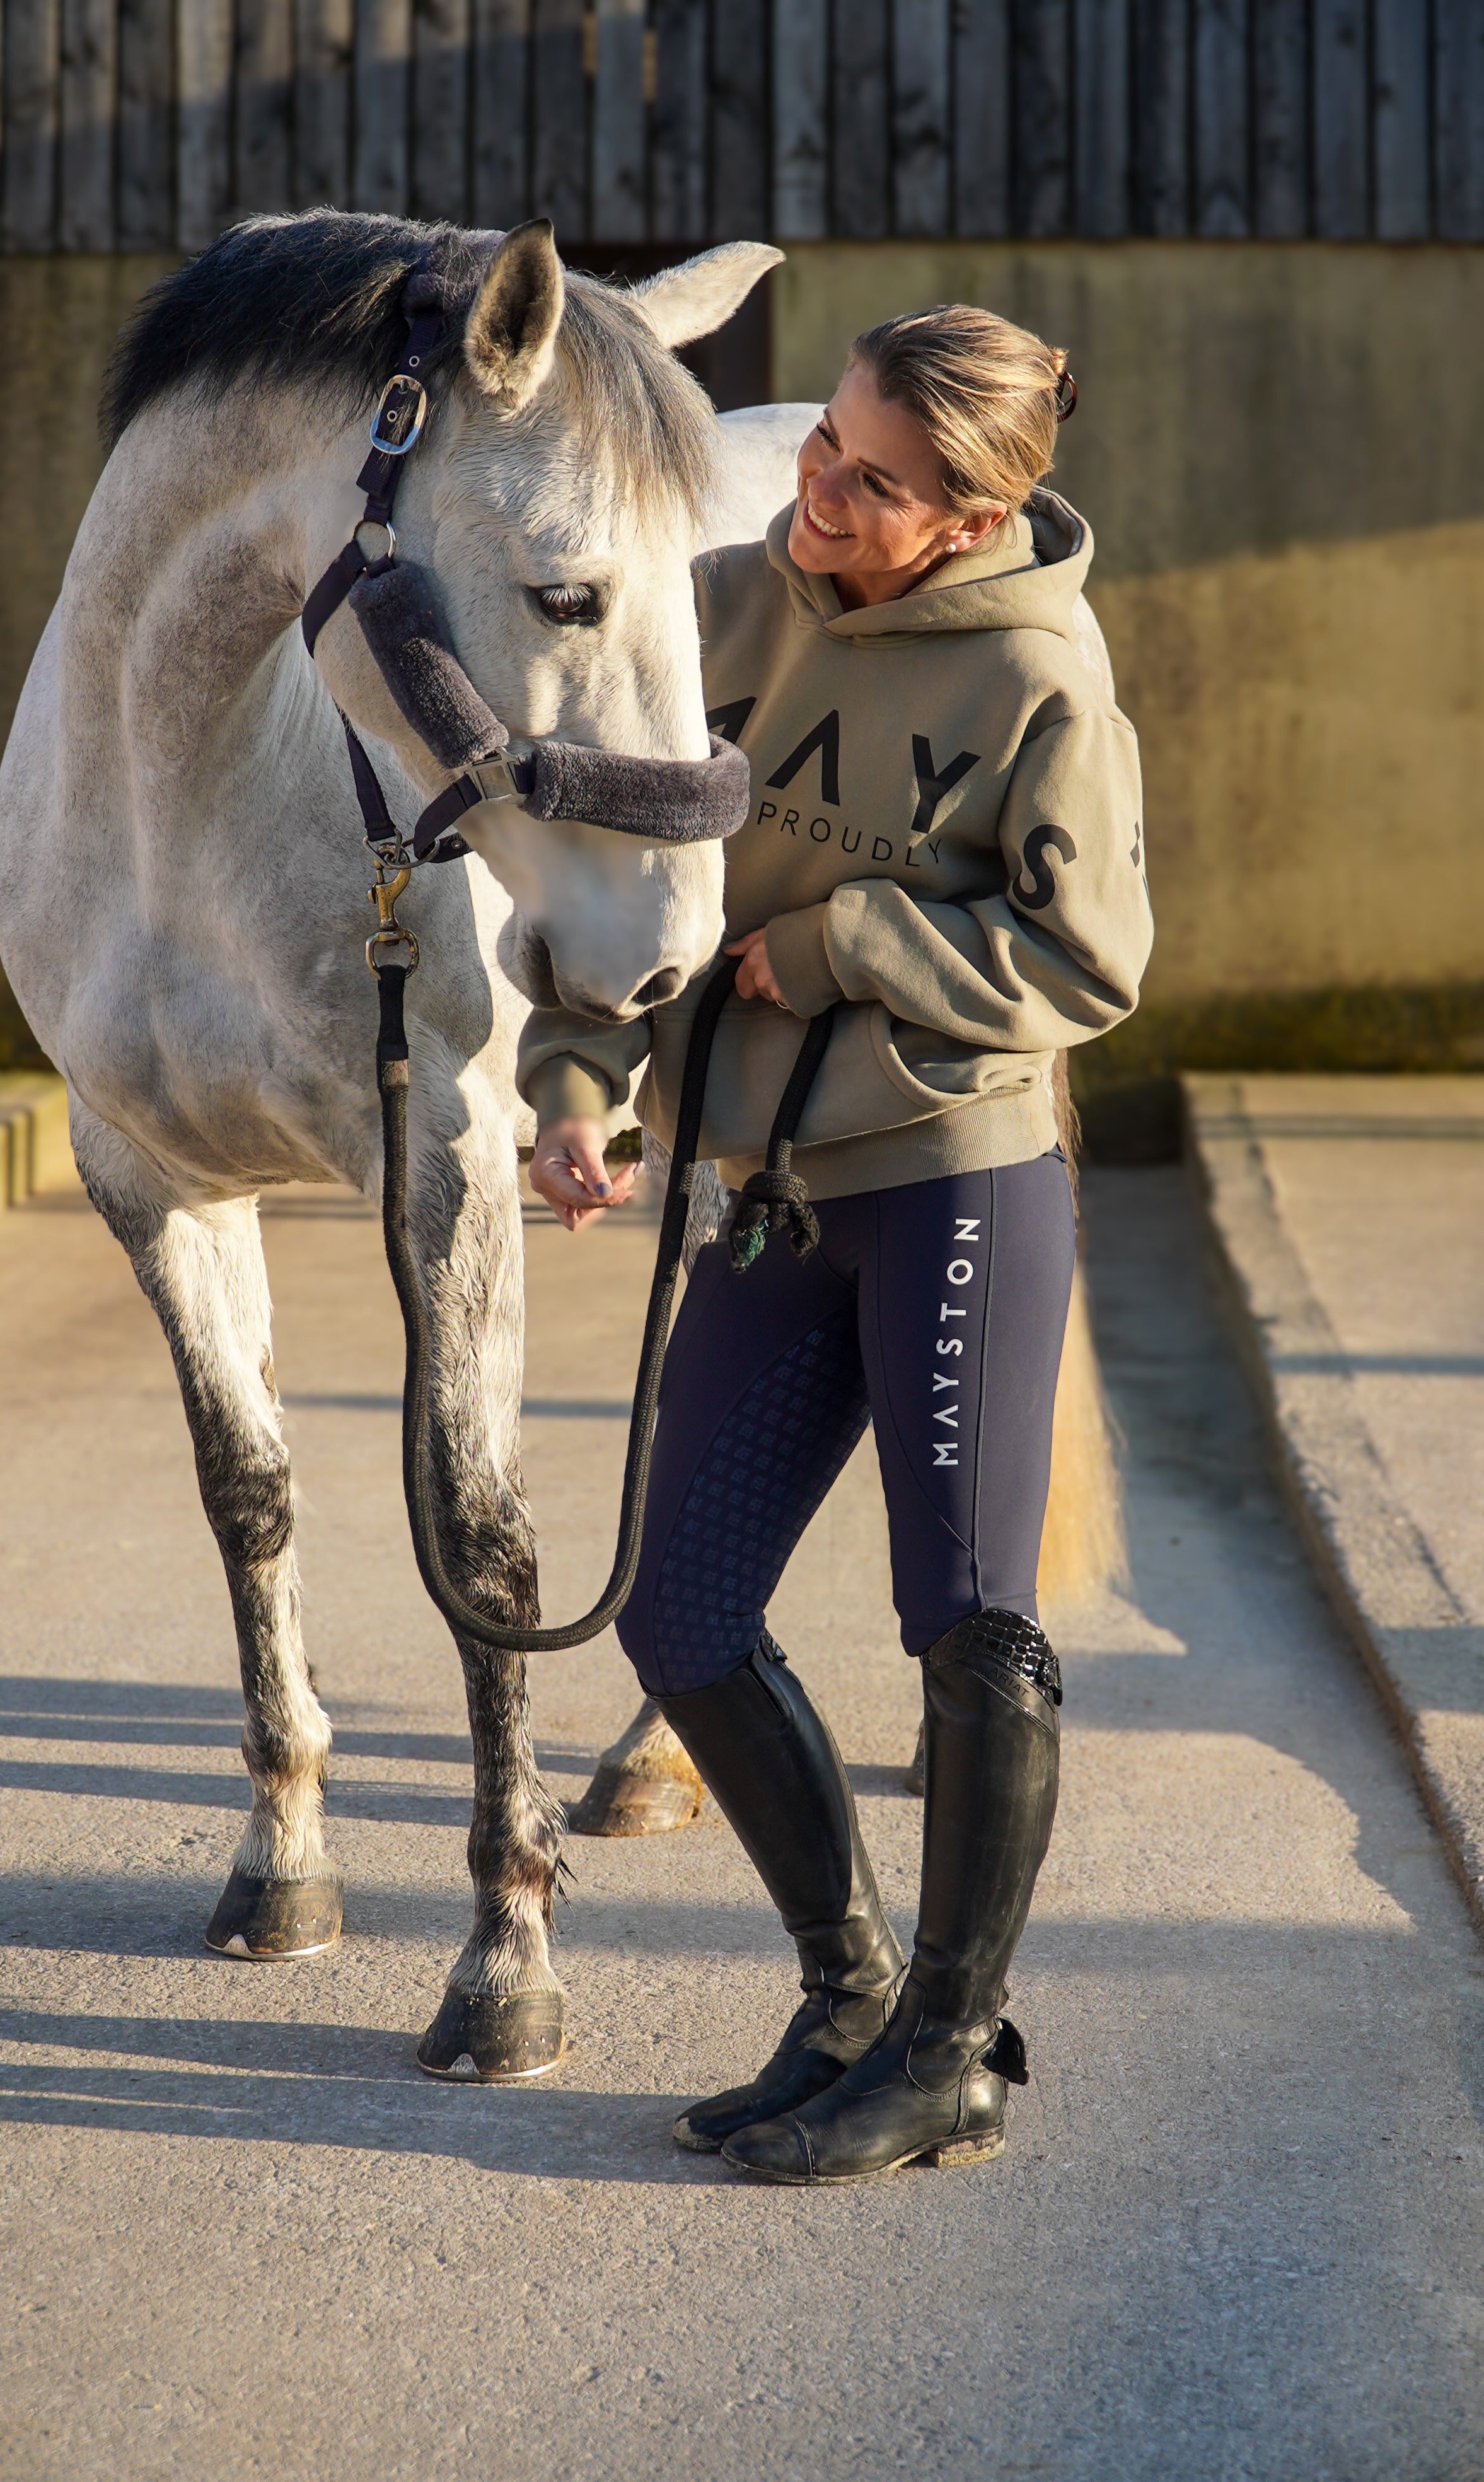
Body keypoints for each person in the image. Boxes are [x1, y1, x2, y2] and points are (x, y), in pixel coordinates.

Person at [521, 305, 1152, 2185]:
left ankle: (955, 2052)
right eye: (825, 448)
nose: (821, 490)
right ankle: (854, 1990)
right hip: (771, 1191)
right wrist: (578, 1080)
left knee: (968, 1618)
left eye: (873, 482)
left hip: (955, 1176)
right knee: (681, 1610)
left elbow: (1091, 964)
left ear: (970, 518)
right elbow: (621, 878)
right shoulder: (729, 606)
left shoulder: (1044, 677)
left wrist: (850, 941)